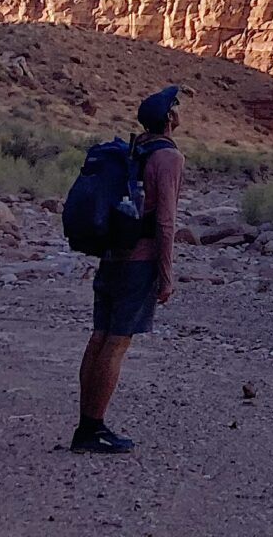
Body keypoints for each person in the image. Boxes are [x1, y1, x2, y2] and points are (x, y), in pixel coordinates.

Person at [73, 85, 183, 454]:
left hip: (110, 256)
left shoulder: (134, 151)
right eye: (176, 109)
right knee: (117, 344)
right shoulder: (168, 158)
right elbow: (165, 222)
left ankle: (85, 427)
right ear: (169, 119)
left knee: (99, 338)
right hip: (139, 263)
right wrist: (166, 275)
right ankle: (92, 429)